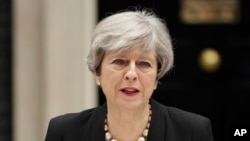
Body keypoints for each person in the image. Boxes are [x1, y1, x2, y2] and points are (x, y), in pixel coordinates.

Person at [45, 8, 214, 141]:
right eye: (119, 61)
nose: (131, 74)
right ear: (98, 72)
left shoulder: (193, 131)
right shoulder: (64, 132)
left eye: (144, 64)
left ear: (156, 77)